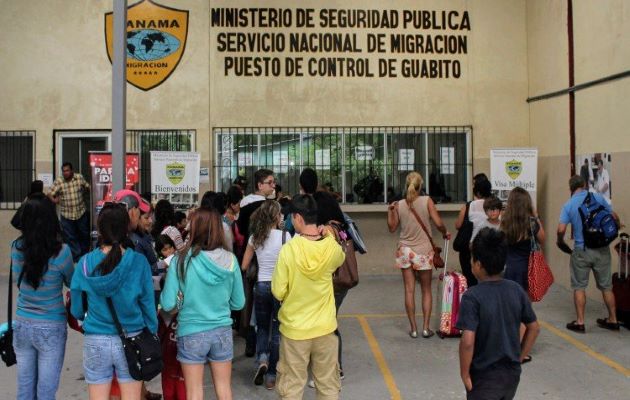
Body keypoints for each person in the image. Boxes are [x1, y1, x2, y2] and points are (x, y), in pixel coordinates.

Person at [70, 202, 157, 400]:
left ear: (100, 229)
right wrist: (151, 331)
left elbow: (76, 309)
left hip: (96, 340)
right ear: (127, 227)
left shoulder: (85, 263)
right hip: (132, 339)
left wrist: (82, 316)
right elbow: (147, 305)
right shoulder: (139, 262)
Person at [160, 209, 245, 400]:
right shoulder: (231, 260)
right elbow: (239, 303)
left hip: (191, 331)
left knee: (194, 392)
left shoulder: (180, 260)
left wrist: (182, 298)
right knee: (224, 389)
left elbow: (167, 304)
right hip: (222, 330)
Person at [272, 194, 345, 400]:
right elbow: (340, 258)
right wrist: (329, 235)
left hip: (295, 330)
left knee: (292, 387)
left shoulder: (289, 251)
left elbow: (278, 291)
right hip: (325, 328)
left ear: (297, 217)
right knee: (328, 387)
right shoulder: (331, 248)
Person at [456, 228, 539, 400]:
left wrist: (464, 373)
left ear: (478, 264)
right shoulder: (516, 290)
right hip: (511, 375)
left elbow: (468, 341)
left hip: (483, 377)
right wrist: (520, 357)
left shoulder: (472, 296)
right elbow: (534, 327)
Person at [11, 193, 74, 400]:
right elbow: (71, 283)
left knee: (25, 389)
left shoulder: (17, 248)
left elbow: (17, 281)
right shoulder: (62, 252)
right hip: (51, 325)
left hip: (22, 323)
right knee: (46, 392)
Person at [387, 171, 450, 338]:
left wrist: (390, 211)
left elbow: (392, 228)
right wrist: (445, 232)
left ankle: (413, 329)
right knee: (426, 290)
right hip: (423, 251)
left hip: (404, 250)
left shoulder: (399, 204)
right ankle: (425, 328)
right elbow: (438, 223)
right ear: (421, 185)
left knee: (409, 290)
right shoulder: (427, 201)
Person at [556, 175, 620, 332]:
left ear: (570, 188)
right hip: (602, 249)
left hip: (581, 251)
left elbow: (561, 229)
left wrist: (560, 241)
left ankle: (580, 322)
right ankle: (613, 320)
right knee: (606, 287)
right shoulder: (598, 197)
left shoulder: (568, 205)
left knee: (579, 287)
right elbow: (614, 217)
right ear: (584, 185)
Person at [241, 200, 291, 390]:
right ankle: (271, 375)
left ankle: (262, 358)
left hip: (261, 286)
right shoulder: (286, 237)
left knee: (262, 327)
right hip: (280, 289)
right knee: (277, 332)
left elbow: (244, 266)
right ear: (278, 217)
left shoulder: (255, 237)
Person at [501, 188, 545, 291]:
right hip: (528, 268)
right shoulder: (531, 223)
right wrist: (536, 216)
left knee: (511, 301)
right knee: (526, 302)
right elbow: (542, 239)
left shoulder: (505, 222)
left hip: (510, 268)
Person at [48, 162, 91, 261]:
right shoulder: (59, 181)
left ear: (72, 170)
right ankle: (77, 256)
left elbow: (88, 187)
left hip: (81, 212)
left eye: (67, 170)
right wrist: (54, 200)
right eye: (64, 171)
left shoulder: (79, 178)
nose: (65, 173)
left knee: (84, 234)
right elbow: (49, 193)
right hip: (66, 215)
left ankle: (84, 255)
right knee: (70, 237)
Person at [455, 175, 492, 287]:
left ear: (478, 192)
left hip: (469, 252)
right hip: (490, 248)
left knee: (470, 282)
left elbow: (458, 225)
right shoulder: (494, 205)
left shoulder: (469, 206)